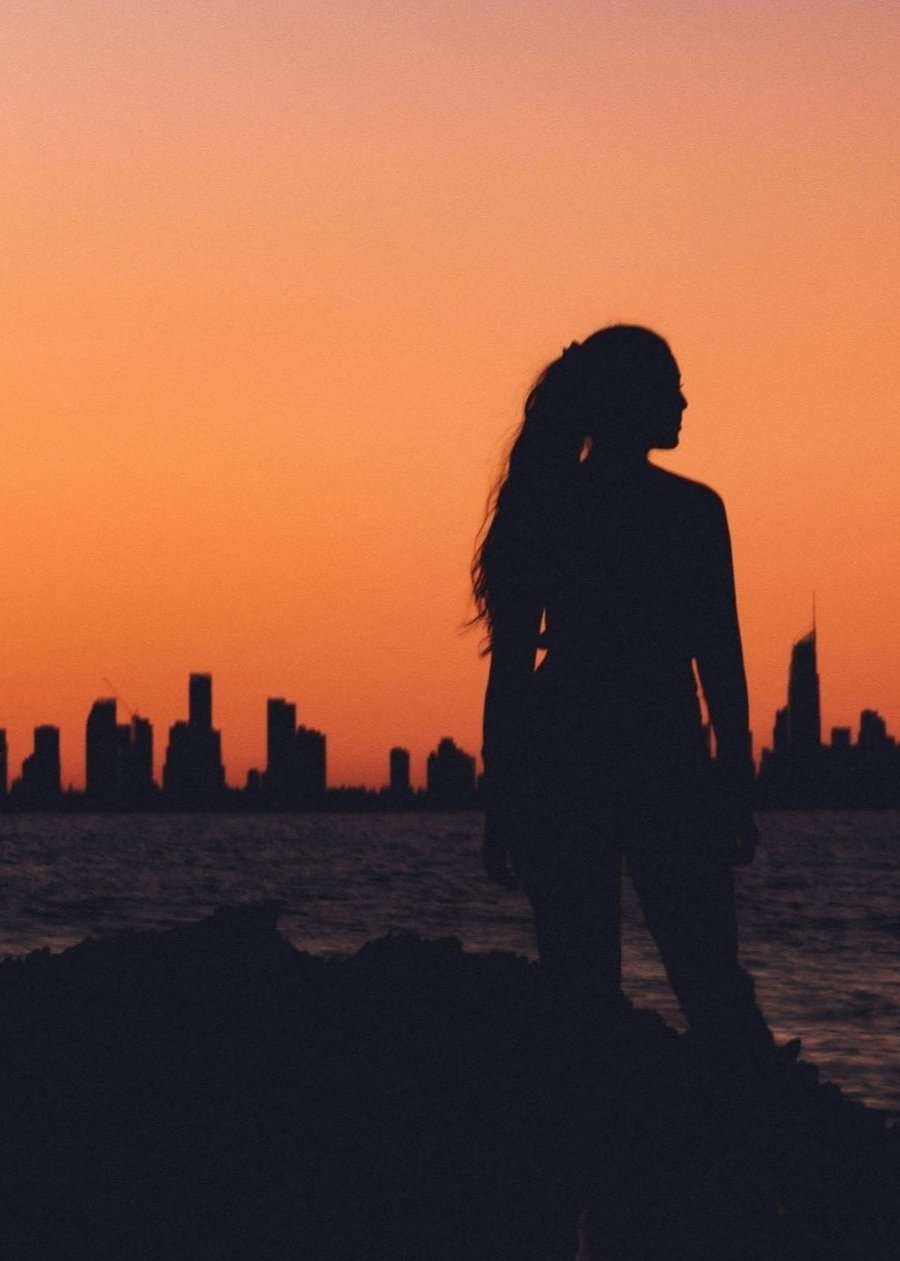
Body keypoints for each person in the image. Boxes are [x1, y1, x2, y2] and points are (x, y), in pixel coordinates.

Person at [473, 325, 770, 1044]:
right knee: (709, 978)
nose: (684, 401)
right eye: (669, 387)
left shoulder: (548, 503)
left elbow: (512, 670)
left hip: (563, 750)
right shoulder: (694, 511)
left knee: (581, 989)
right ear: (629, 401)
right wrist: (735, 779)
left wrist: (501, 796)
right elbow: (720, 662)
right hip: (662, 749)